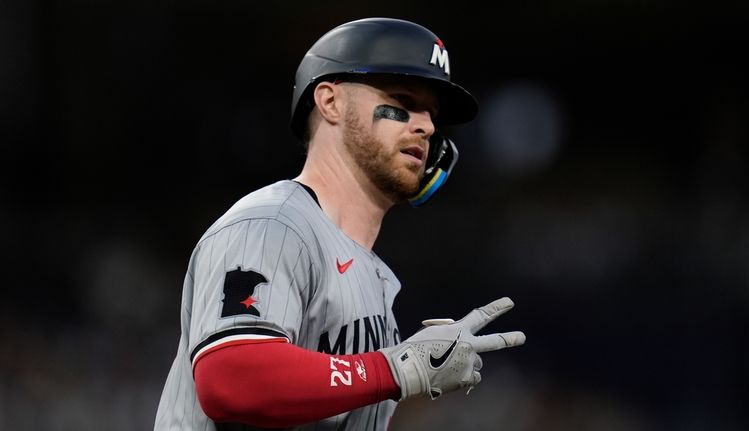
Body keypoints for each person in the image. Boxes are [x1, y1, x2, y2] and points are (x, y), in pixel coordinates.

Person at [154, 17, 526, 430]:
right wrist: (393, 369)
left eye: (431, 114)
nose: (427, 126)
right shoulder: (272, 224)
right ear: (330, 102)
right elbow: (231, 377)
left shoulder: (371, 275)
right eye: (402, 100)